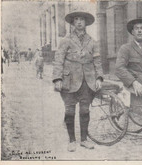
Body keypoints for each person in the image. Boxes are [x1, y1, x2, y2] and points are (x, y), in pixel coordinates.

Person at [52, 8, 103, 152]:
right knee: (69, 111)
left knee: (85, 111)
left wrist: (99, 77)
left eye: (82, 19)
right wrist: (57, 78)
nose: (79, 22)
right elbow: (58, 60)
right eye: (76, 19)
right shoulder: (66, 40)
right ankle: (72, 140)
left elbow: (97, 61)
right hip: (69, 81)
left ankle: (84, 140)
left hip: (87, 81)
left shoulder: (92, 41)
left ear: (86, 22)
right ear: (73, 22)